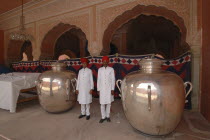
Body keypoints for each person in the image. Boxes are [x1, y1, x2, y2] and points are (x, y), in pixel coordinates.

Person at [97, 56, 115, 123]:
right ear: (102, 62)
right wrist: (98, 89)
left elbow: (113, 79)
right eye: (104, 61)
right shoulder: (100, 69)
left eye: (106, 61)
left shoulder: (111, 69)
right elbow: (98, 80)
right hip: (102, 89)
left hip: (108, 89)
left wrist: (112, 89)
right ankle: (103, 117)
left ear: (108, 62)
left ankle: (108, 116)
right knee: (102, 104)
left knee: (108, 103)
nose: (105, 63)